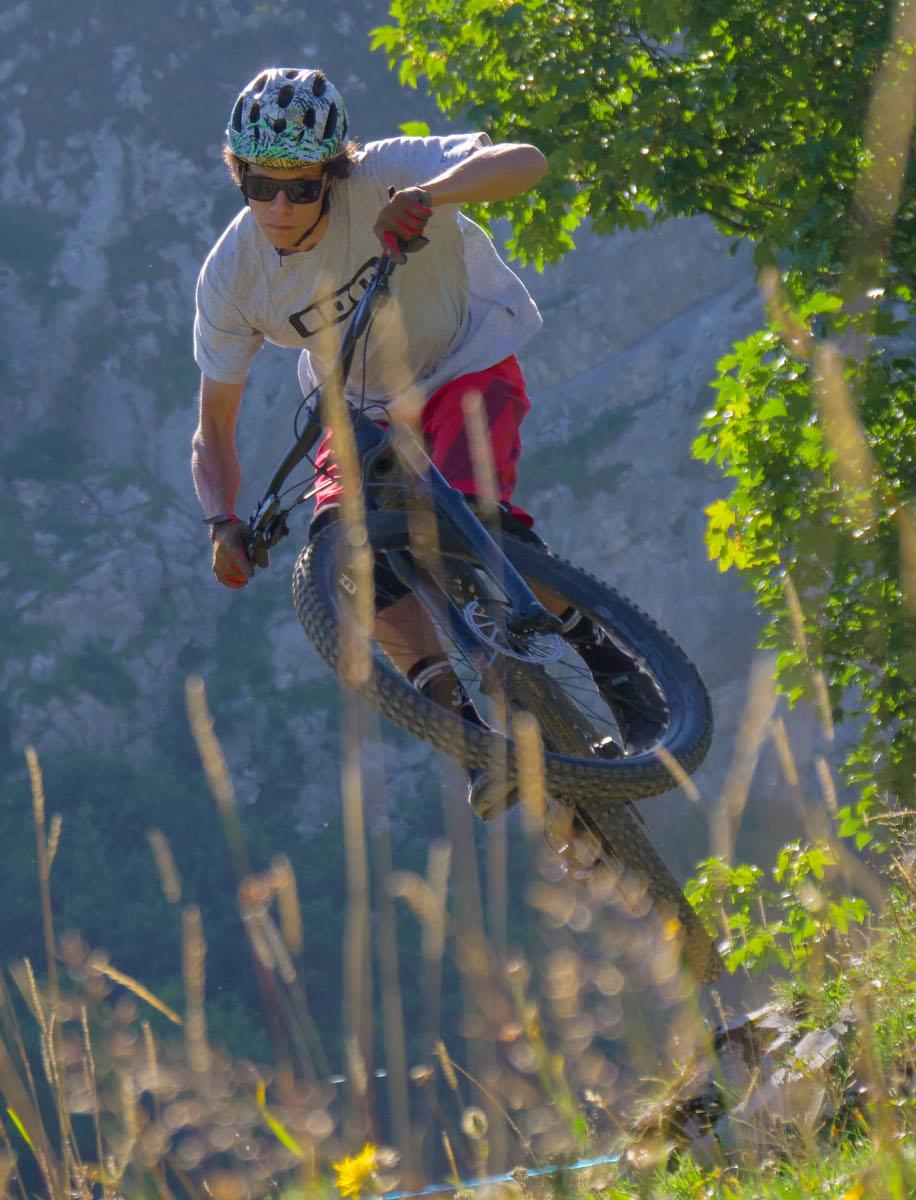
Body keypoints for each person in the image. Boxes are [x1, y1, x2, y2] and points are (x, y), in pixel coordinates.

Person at [188, 66, 665, 815]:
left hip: (461, 363)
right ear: (238, 173)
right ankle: (474, 736)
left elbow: (527, 161)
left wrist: (431, 198)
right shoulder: (232, 276)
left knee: (472, 523)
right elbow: (212, 429)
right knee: (348, 559)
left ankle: (619, 674)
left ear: (332, 172)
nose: (279, 206)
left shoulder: (387, 172)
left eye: (302, 188)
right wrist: (221, 520)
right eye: (259, 186)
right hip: (358, 407)